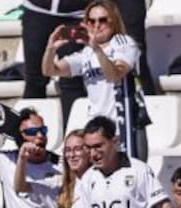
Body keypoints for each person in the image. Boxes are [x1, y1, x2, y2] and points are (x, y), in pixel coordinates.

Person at [43, 1, 146, 158]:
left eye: (103, 20)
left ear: (114, 21)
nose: (97, 25)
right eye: (91, 21)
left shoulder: (124, 43)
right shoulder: (86, 53)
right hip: (96, 130)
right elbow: (49, 70)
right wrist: (51, 49)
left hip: (123, 125)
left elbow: (115, 75)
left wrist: (97, 49)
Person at [56, 129, 91, 208]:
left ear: (88, 151)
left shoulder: (97, 183)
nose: (72, 155)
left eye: (77, 149)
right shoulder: (64, 185)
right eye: (67, 150)